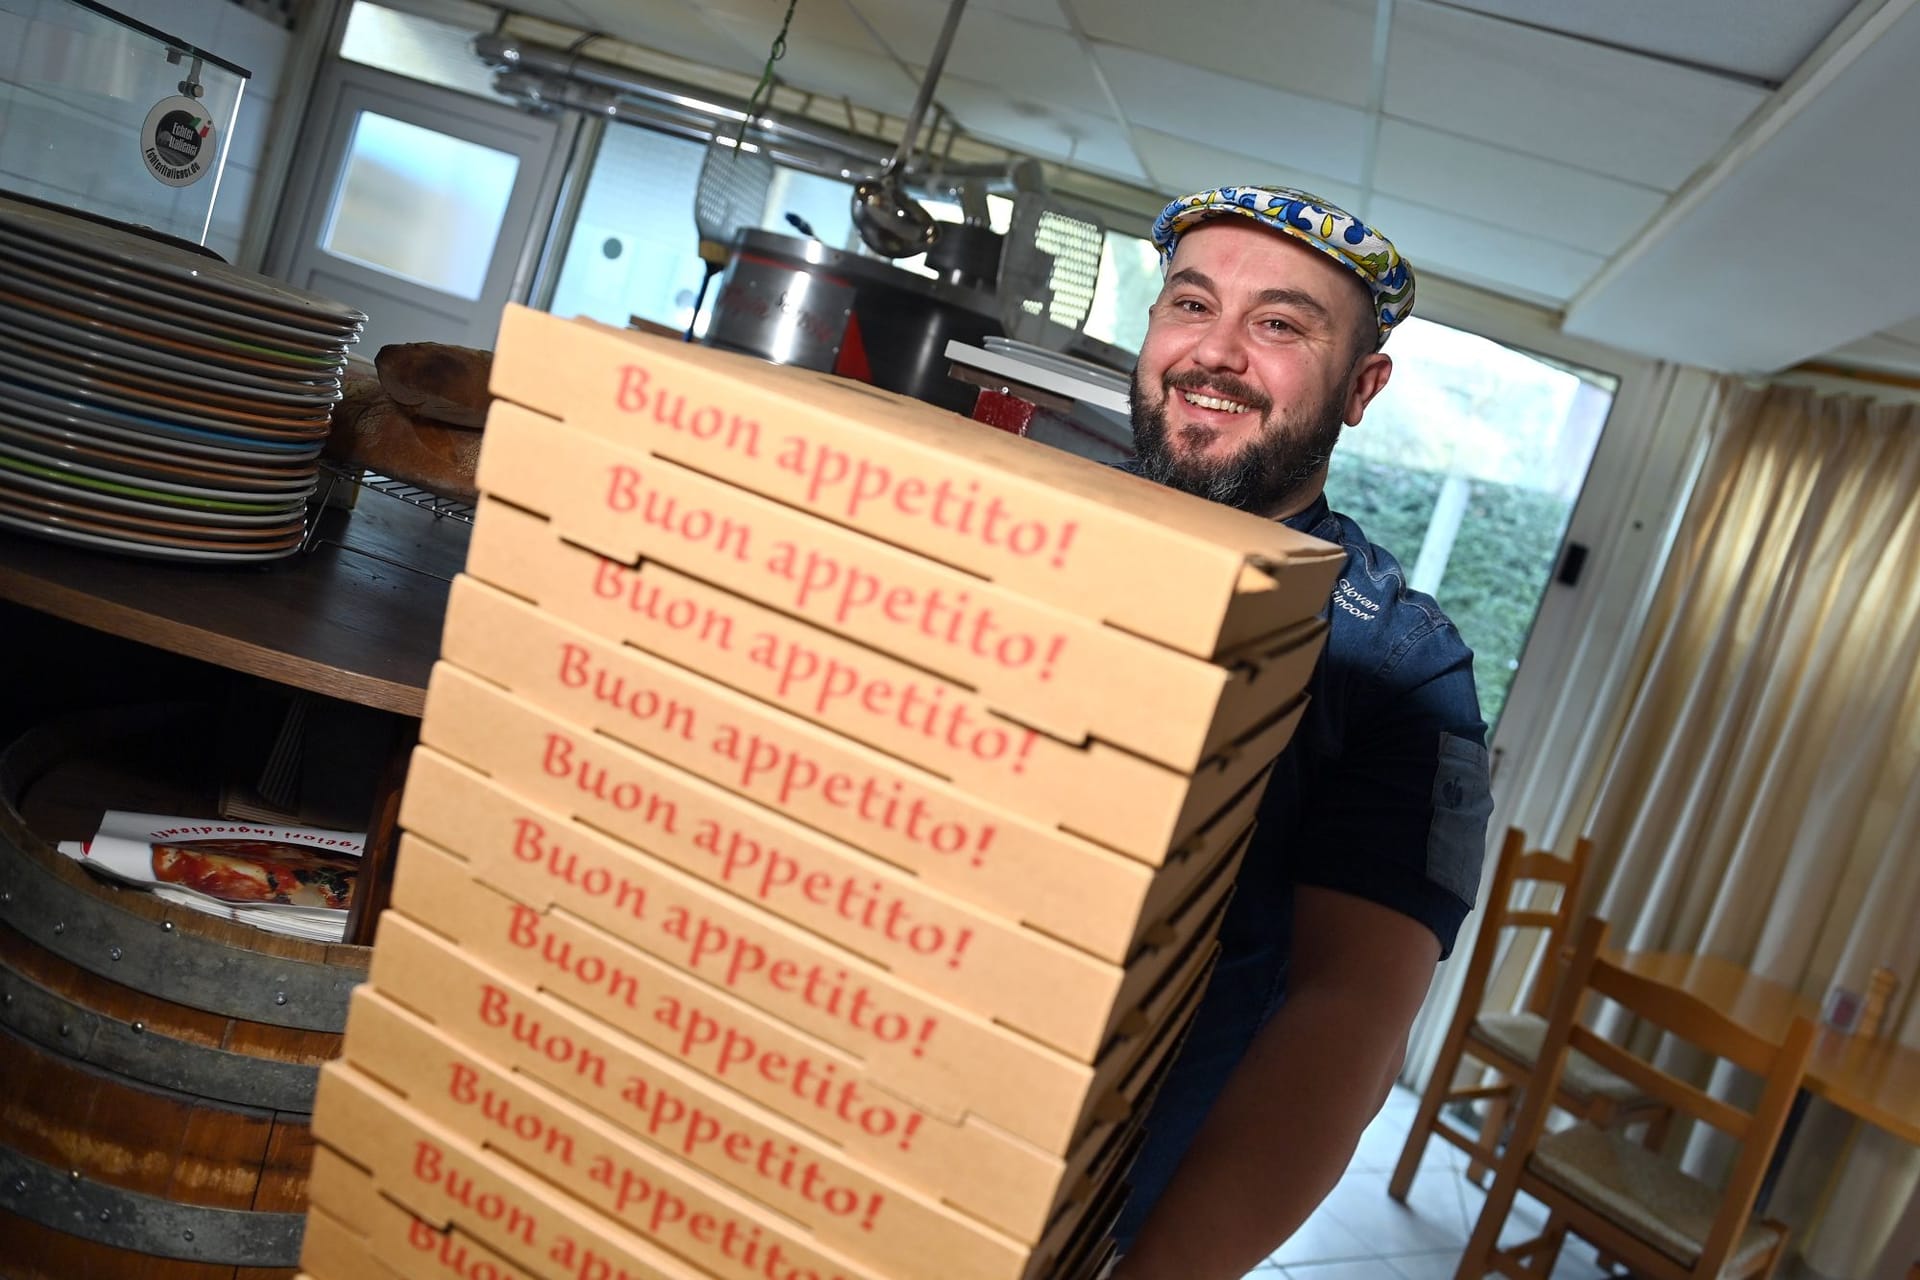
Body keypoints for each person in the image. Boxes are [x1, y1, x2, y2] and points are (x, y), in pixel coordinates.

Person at [1108, 186, 1495, 1279]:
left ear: (1361, 387)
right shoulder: (1027, 518)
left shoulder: (1402, 665)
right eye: (1190, 303)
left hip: (1099, 1203)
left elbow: (1351, 1011)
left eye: (1279, 325)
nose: (1214, 353)